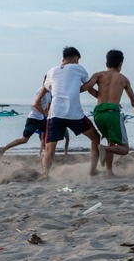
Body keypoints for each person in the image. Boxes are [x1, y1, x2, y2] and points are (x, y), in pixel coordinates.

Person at [33, 46, 100, 178]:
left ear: (63, 59)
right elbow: (89, 87)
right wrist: (101, 97)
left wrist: (37, 101)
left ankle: (45, 174)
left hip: (55, 114)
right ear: (76, 59)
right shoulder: (78, 68)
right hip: (74, 114)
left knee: (49, 150)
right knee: (95, 138)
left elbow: (45, 88)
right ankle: (92, 171)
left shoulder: (52, 71)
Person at [81, 49, 134, 177]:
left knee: (111, 141)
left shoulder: (98, 75)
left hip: (98, 113)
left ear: (106, 63)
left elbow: (87, 88)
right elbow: (133, 99)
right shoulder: (123, 79)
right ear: (120, 65)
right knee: (124, 149)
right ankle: (104, 150)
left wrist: (100, 98)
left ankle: (106, 171)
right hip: (112, 113)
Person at [0, 76, 51, 157]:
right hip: (33, 119)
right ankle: (4, 148)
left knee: (49, 135)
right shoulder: (40, 91)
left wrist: (50, 114)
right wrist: (45, 114)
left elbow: (48, 106)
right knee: (24, 140)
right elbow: (36, 105)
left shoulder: (49, 92)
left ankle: (46, 154)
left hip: (41, 120)